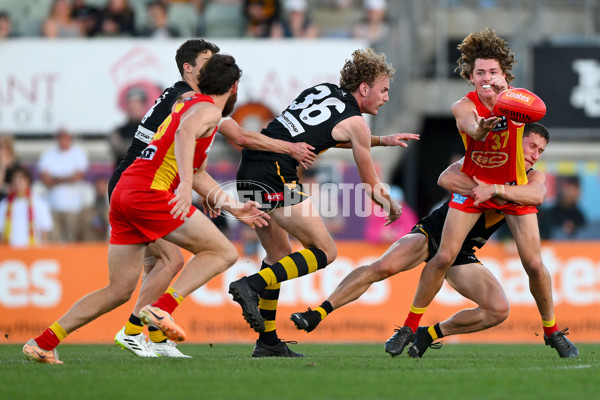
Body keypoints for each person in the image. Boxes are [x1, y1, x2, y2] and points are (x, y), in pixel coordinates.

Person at [22, 54, 270, 365]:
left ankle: (44, 342)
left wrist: (234, 207)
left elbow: (196, 172)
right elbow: (183, 137)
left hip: (125, 191)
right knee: (223, 252)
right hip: (148, 192)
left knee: (119, 289)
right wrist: (182, 188)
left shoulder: (187, 106)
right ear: (234, 87)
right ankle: (162, 308)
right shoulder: (207, 109)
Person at [110, 39, 316, 358]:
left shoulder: (187, 96)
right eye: (207, 60)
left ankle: (151, 333)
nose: (212, 65)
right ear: (188, 68)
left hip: (142, 182)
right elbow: (237, 136)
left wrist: (208, 191)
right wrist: (290, 148)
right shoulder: (193, 98)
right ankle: (136, 329)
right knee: (171, 261)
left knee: (161, 264)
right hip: (144, 184)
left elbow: (197, 157)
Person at [290, 123, 567, 357]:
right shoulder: (484, 158)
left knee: (498, 310)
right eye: (531, 146)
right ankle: (319, 313)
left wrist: (495, 190)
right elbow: (446, 179)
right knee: (382, 267)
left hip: (463, 252)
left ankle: (429, 334)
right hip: (434, 232)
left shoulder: (532, 177)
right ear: (516, 142)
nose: (535, 155)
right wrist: (487, 190)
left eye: (540, 151)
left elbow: (538, 195)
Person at [228, 48, 420, 357]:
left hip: (249, 167)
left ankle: (266, 342)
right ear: (365, 88)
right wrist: (390, 204)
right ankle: (251, 284)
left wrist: (382, 139)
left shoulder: (322, 91)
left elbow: (329, 133)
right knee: (325, 251)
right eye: (383, 90)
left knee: (278, 253)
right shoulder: (357, 123)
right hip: (276, 171)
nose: (386, 97)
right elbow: (371, 185)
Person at [397, 28, 576, 358]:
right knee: (445, 256)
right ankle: (409, 326)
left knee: (535, 264)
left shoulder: (519, 101)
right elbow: (469, 127)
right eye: (480, 72)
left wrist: (499, 186)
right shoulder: (464, 105)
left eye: (493, 72)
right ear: (470, 76)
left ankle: (551, 331)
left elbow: (534, 125)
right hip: (476, 187)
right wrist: (483, 126)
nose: (487, 77)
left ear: (505, 75)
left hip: (507, 190)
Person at [37, 128, 89, 243]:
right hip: (52, 205)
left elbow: (77, 177)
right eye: (61, 137)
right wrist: (67, 177)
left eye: (66, 137)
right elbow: (46, 180)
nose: (63, 140)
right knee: (53, 240)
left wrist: (55, 178)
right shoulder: (48, 154)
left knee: (72, 240)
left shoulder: (78, 153)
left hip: (73, 206)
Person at [0, 166, 53, 247]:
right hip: (10, 251)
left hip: (33, 250)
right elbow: (1, 231)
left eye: (21, 180)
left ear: (27, 181)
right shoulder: (4, 204)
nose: (18, 183)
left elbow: (44, 230)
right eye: (15, 180)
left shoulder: (39, 203)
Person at [109, 87, 148, 169]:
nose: (134, 107)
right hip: (121, 176)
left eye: (137, 103)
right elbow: (116, 147)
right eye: (131, 103)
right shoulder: (118, 131)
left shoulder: (150, 130)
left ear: (143, 106)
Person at [539, 175, 587, 239]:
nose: (575, 192)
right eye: (570, 187)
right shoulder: (548, 214)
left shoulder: (579, 216)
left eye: (577, 188)